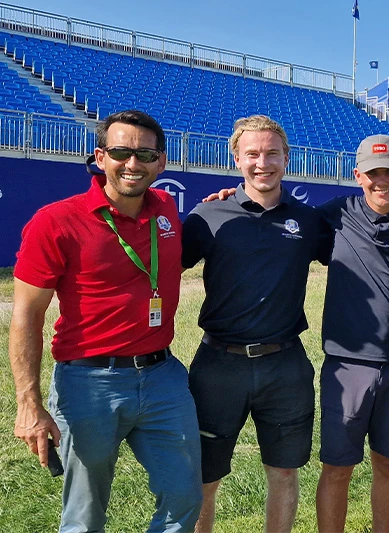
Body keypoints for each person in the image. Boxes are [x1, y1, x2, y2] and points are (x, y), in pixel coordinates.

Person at [9, 110, 202, 531]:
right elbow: (26, 315)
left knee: (185, 497)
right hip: (89, 383)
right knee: (85, 512)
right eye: (120, 152)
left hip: (163, 376)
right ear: (100, 157)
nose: (132, 163)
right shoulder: (55, 221)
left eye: (145, 154)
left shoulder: (166, 206)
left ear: (162, 163)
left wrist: (223, 198)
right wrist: (29, 404)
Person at [182, 115, 323, 532]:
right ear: (236, 159)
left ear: (286, 158)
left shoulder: (309, 221)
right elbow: (164, 270)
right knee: (206, 477)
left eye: (272, 153)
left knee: (283, 472)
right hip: (218, 366)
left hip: (286, 365)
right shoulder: (207, 216)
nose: (263, 163)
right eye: (253, 154)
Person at [313, 134, 389, 532]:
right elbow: (279, 217)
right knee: (337, 467)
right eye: (371, 173)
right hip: (346, 364)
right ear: (357, 175)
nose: (380, 181)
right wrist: (230, 193)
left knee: (388, 462)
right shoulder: (335, 213)